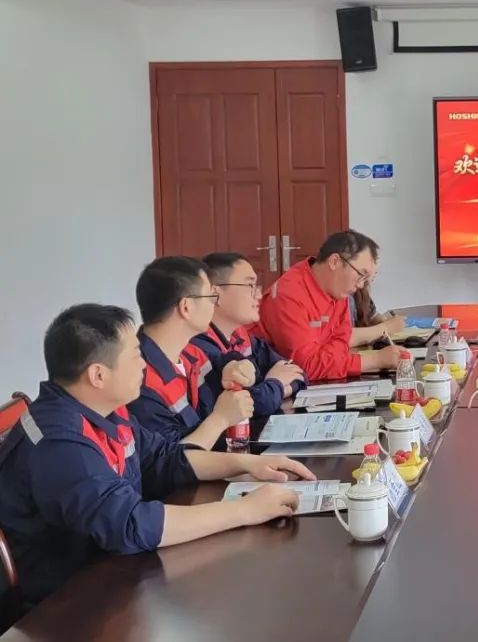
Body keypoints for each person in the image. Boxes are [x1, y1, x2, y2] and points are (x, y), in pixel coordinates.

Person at [0, 304, 314, 606]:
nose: (143, 365)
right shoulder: (58, 442)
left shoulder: (104, 408)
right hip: (67, 603)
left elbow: (164, 457)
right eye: (135, 355)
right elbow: (130, 524)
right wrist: (245, 510)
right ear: (98, 376)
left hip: (116, 570)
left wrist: (246, 463)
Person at [129, 256, 254, 449]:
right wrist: (221, 419)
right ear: (186, 307)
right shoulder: (140, 382)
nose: (214, 305)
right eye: (210, 297)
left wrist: (238, 366)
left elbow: (226, 362)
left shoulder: (192, 353)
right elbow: (172, 460)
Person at [254, 230, 399, 381]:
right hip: (264, 382)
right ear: (334, 261)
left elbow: (342, 342)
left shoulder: (337, 290)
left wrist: (327, 357)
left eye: (366, 279)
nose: (361, 285)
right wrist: (375, 360)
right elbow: (305, 367)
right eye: (360, 275)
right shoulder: (289, 294)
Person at [191, 253, 307, 417]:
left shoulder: (241, 336)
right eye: (249, 285)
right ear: (215, 294)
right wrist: (277, 383)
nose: (258, 295)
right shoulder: (199, 347)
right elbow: (249, 407)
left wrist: (272, 387)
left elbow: (298, 374)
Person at [350, 270, 406, 344]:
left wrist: (389, 322)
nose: (376, 271)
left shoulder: (361, 292)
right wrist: (386, 327)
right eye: (374, 263)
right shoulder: (344, 294)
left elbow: (372, 316)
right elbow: (344, 336)